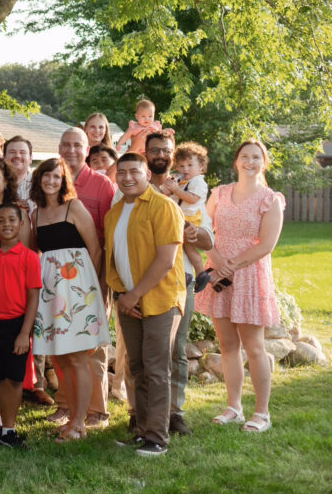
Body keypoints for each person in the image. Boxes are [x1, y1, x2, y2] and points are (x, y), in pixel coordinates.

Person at [196, 139, 284, 433]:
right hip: (219, 271)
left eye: (256, 157)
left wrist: (229, 266)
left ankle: (262, 413)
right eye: (244, 156)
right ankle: (234, 406)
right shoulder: (219, 193)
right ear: (236, 161)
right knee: (228, 345)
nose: (250, 162)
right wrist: (216, 260)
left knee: (255, 347)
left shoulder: (270, 200)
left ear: (264, 162)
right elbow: (204, 231)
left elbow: (266, 245)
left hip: (249, 275)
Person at [106, 152, 185, 457]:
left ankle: (158, 437)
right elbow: (114, 259)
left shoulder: (164, 207)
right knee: (136, 366)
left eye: (134, 172)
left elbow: (166, 262)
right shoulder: (113, 214)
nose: (127, 177)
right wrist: (121, 296)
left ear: (147, 175)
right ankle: (141, 430)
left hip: (158, 300)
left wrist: (134, 294)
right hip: (128, 301)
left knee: (156, 369)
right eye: (121, 172)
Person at [28, 158, 109, 442]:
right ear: (38, 180)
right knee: (61, 357)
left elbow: (96, 250)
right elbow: (35, 253)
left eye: (57, 177)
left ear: (64, 181)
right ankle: (73, 417)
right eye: (46, 176)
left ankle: (79, 424)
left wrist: (95, 291)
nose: (51, 181)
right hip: (51, 293)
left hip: (77, 291)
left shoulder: (74, 207)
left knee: (78, 358)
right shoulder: (36, 214)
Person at [140, 132, 215, 436]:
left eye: (166, 151)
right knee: (141, 352)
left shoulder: (184, 188)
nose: (161, 154)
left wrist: (196, 234)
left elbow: (208, 237)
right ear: (145, 154)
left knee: (176, 350)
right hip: (143, 280)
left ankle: (175, 412)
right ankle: (141, 412)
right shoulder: (136, 186)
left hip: (180, 279)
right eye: (154, 150)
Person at [58, 127, 116, 427]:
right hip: (60, 277)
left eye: (77, 145)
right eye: (66, 145)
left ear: (88, 148)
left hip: (93, 271)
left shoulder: (101, 184)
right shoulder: (54, 182)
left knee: (91, 343)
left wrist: (99, 279)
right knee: (62, 339)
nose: (71, 150)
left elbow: (107, 234)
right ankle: (65, 404)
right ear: (59, 147)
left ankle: (97, 410)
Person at [0, 203, 42, 449]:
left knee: (13, 379)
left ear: (22, 224)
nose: (7, 225)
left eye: (12, 220)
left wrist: (25, 332)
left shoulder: (30, 258)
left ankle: (11, 430)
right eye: (1, 220)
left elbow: (34, 296)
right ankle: (3, 429)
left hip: (16, 325)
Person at [168, 141, 210, 281]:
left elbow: (192, 198)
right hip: (181, 218)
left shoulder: (198, 182)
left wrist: (175, 190)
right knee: (186, 248)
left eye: (190, 165)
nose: (185, 169)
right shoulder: (182, 182)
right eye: (181, 166)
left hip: (190, 219)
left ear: (201, 167)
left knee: (181, 245)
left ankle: (195, 272)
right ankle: (197, 273)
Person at [4, 136, 34, 201]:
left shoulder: (40, 184)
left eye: (22, 152)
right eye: (12, 152)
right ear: (4, 157)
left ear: (31, 158)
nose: (17, 155)